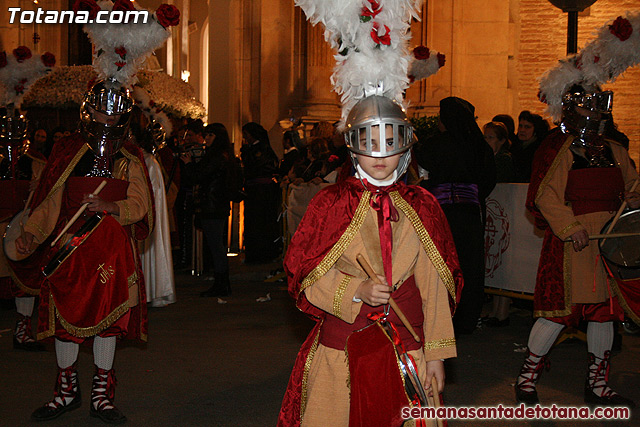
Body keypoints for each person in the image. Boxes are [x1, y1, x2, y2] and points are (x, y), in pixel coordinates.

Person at [277, 96, 463, 427]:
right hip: (344, 349)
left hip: (408, 350)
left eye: (390, 143)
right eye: (369, 142)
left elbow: (433, 287)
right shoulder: (330, 203)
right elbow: (306, 273)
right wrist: (356, 288)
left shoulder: (421, 206)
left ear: (405, 146)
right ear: (354, 146)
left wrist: (436, 356)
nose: (379, 154)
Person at [15, 80, 154, 423]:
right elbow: (50, 202)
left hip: (111, 254)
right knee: (65, 323)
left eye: (114, 114)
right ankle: (66, 392)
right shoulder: (66, 150)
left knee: (108, 324)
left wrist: (110, 205)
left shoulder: (130, 157)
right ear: (88, 111)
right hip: (69, 253)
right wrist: (32, 234)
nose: (106, 120)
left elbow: (140, 204)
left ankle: (102, 396)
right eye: (100, 112)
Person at [515, 88, 638, 407]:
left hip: (611, 246)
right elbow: (546, 196)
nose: (596, 114)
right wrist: (571, 227)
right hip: (573, 247)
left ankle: (597, 385)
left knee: (604, 314)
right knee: (558, 313)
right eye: (589, 108)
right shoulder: (562, 148)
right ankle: (526, 379)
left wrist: (631, 211)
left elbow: (633, 190)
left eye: (600, 108)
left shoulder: (615, 149)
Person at [414, 97, 496, 335]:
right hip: (470, 216)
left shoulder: (434, 145)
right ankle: (465, 319)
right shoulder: (480, 146)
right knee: (468, 266)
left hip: (441, 215)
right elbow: (489, 180)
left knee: (441, 264)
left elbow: (420, 174)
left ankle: (439, 318)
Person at [0, 113, 47, 351]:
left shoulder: (36, 160)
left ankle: (23, 329)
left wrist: (39, 186)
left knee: (24, 281)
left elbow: (47, 195)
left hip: (20, 228)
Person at [183, 123, 239, 298]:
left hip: (213, 205)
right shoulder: (222, 155)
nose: (206, 139)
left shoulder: (217, 156)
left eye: (210, 136)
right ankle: (221, 282)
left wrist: (189, 164)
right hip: (215, 204)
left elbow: (199, 175)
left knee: (216, 246)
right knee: (216, 245)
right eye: (206, 135)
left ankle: (222, 284)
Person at [240, 122, 281, 263]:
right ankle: (253, 253)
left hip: (262, 192)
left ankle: (262, 253)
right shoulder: (252, 149)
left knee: (261, 222)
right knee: (252, 221)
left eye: (246, 134)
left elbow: (258, 166)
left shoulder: (262, 149)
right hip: (253, 190)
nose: (245, 137)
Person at [511, 111, 549, 182]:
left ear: (535, 130)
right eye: (520, 126)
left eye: (527, 127)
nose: (522, 130)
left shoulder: (540, 150)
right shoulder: (514, 146)